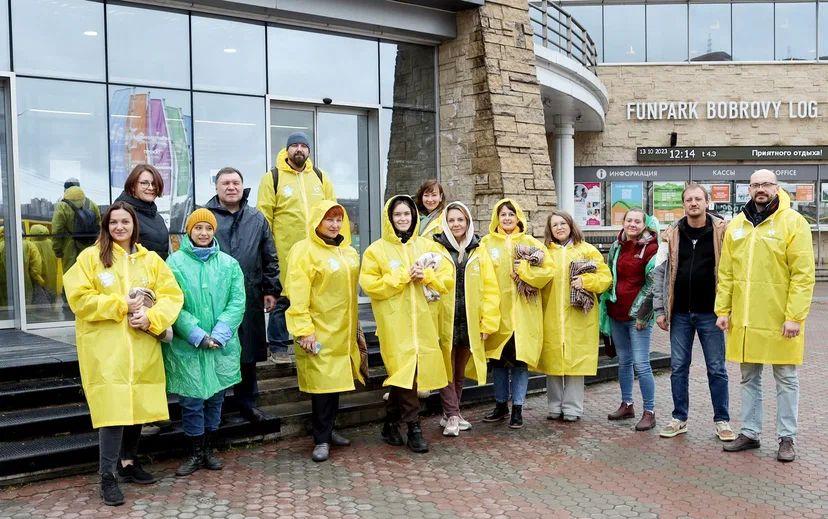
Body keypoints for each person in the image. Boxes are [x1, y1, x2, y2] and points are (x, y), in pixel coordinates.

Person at [62, 201, 183, 506]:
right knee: (113, 412)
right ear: (106, 226)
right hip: (106, 350)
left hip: (141, 347)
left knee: (136, 407)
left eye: (124, 222)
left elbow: (172, 296)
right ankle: (107, 476)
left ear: (134, 226)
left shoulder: (151, 260)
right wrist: (121, 305)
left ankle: (129, 463)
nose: (119, 227)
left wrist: (151, 319)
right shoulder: (91, 258)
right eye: (113, 222)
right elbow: (79, 299)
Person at [718, 169, 815, 462]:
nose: (761, 189)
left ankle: (787, 437)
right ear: (748, 189)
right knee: (749, 377)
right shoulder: (737, 225)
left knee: (785, 377)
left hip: (780, 318)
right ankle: (749, 432)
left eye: (767, 184)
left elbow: (803, 275)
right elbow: (726, 273)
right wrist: (723, 310)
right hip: (745, 320)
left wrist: (794, 316)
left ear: (776, 187)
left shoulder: (793, 223)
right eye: (756, 184)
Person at [359, 195, 453, 453]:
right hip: (394, 325)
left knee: (407, 377)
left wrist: (427, 275)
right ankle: (414, 428)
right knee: (405, 374)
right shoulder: (375, 251)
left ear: (414, 217)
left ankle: (391, 424)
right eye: (398, 214)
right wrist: (402, 276)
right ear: (390, 218)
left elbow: (447, 279)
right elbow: (370, 285)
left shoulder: (426, 246)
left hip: (423, 324)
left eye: (407, 214)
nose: (403, 219)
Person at [165, 208, 246, 477]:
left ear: (214, 231)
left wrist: (220, 334)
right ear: (189, 231)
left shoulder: (229, 264)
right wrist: (197, 335)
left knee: (215, 398)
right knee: (191, 400)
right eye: (198, 228)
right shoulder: (174, 264)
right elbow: (172, 303)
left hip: (220, 346)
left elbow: (237, 302)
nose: (203, 233)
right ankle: (195, 451)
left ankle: (209, 449)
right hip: (189, 346)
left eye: (208, 228)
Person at [652, 184, 735, 441]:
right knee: (678, 367)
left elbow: (733, 270)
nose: (693, 203)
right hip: (679, 314)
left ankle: (722, 420)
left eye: (698, 198)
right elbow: (660, 272)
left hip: (712, 313)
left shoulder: (723, 231)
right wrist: (659, 308)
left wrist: (729, 308)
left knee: (716, 368)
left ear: (707, 202)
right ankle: (679, 418)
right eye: (688, 199)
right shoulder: (671, 234)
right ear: (684, 204)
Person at [285, 200, 364, 462]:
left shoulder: (348, 251)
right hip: (318, 330)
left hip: (342, 331)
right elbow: (297, 294)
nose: (334, 224)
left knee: (336, 384)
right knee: (321, 387)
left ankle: (330, 430)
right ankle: (320, 439)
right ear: (317, 221)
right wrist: (304, 329)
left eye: (338, 219)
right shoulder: (304, 251)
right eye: (329, 219)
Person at [206, 167, 281, 424]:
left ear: (242, 186)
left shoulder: (256, 218)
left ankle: (248, 403)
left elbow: (269, 255)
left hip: (249, 293)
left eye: (235, 182)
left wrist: (271, 290)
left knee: (247, 351)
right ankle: (218, 404)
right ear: (216, 187)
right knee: (218, 347)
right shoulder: (205, 217)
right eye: (225, 183)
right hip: (213, 297)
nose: (231, 187)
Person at [257, 132, 335, 363]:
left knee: (315, 296)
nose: (299, 149)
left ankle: (313, 340)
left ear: (309, 150)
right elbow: (264, 216)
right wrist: (266, 249)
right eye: (294, 146)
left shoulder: (320, 177)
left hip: (317, 251)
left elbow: (332, 211)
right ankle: (279, 346)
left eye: (303, 146)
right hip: (285, 252)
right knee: (284, 297)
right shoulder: (273, 177)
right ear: (287, 150)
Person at [481, 199, 553, 429]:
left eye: (511, 214)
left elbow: (547, 273)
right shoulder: (486, 243)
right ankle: (501, 405)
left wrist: (523, 270)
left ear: (519, 216)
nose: (507, 218)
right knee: (499, 362)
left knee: (520, 363)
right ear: (497, 217)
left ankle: (518, 409)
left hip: (524, 314)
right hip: (498, 314)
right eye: (503, 214)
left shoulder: (532, 244)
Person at [432, 201, 500, 437]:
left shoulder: (478, 250)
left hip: (468, 321)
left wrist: (488, 322)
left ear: (468, 222)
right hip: (444, 320)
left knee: (459, 371)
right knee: (445, 370)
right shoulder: (436, 249)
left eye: (460, 219)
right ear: (445, 223)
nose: (456, 224)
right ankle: (453, 415)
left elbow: (491, 289)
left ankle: (451, 413)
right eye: (451, 220)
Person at [536, 211, 611, 422]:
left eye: (562, 223)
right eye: (554, 225)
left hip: (578, 316)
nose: (559, 227)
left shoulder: (587, 250)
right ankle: (554, 405)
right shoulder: (544, 253)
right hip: (551, 315)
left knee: (576, 364)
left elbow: (605, 278)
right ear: (549, 230)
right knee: (553, 363)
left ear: (570, 225)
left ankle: (572, 408)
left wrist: (586, 281)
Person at [599, 208, 660, 431]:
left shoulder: (651, 248)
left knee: (642, 364)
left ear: (644, 224)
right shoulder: (617, 246)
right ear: (623, 223)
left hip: (638, 318)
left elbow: (653, 284)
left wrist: (643, 314)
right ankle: (627, 404)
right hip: (617, 313)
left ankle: (649, 411)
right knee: (624, 361)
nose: (632, 224)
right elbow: (610, 276)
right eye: (629, 220)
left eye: (637, 221)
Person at [115, 164, 170, 259]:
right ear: (132, 186)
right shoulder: (120, 213)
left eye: (154, 183)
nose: (151, 188)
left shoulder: (157, 217)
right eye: (144, 183)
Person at [51, 179, 101, 271]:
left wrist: (57, 249)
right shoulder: (91, 204)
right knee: (89, 274)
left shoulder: (62, 206)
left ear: (65, 190)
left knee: (71, 277)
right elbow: (98, 226)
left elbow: (57, 230)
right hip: (89, 247)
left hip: (69, 249)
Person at [27, 224, 59, 303]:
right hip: (52, 280)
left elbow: (35, 268)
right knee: (51, 303)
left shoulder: (32, 245)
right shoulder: (51, 243)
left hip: (41, 281)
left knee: (41, 307)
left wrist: (39, 281)